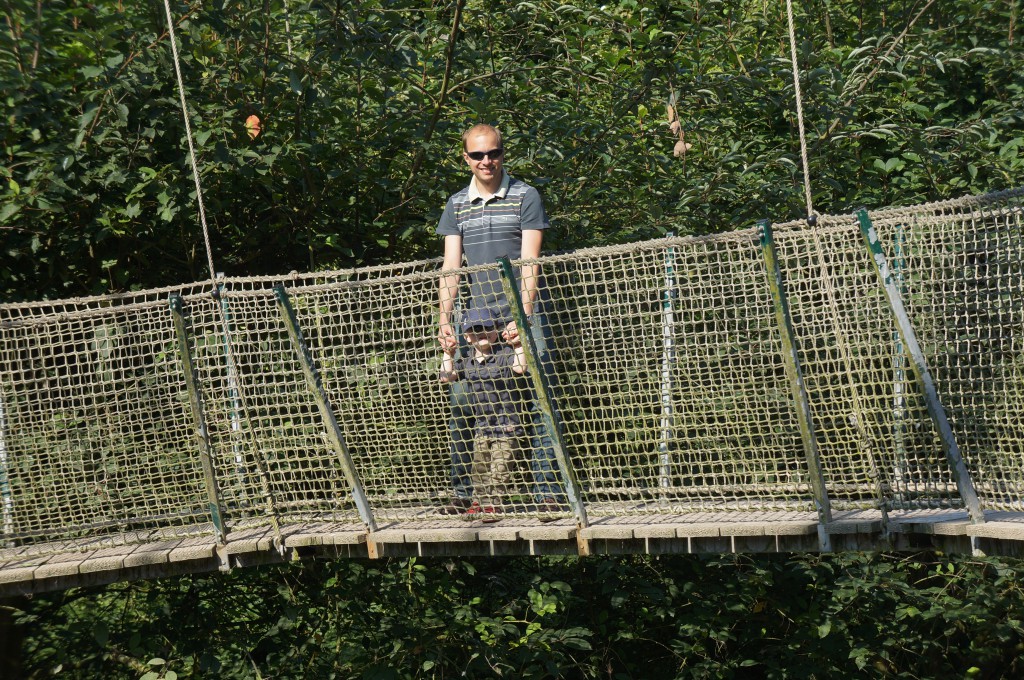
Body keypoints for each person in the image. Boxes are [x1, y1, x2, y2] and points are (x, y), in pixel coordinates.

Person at [436, 123, 565, 515]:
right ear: (466, 159)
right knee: (461, 400)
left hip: (520, 313)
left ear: (502, 153)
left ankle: (548, 491)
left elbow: (530, 262)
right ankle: (464, 493)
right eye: (478, 155)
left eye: (493, 153)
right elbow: (451, 266)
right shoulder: (456, 204)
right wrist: (445, 320)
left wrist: (522, 319)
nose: (486, 161)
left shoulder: (526, 196)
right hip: (474, 321)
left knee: (542, 395)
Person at [438, 307, 528, 522]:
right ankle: (478, 502)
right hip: (483, 427)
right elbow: (446, 376)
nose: (481, 333)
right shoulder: (468, 361)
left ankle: (493, 505)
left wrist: (517, 344)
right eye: (475, 330)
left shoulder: (503, 355)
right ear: (467, 337)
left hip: (507, 426)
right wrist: (448, 353)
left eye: (487, 328)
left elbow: (520, 368)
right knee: (478, 468)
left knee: (499, 469)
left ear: (496, 331)